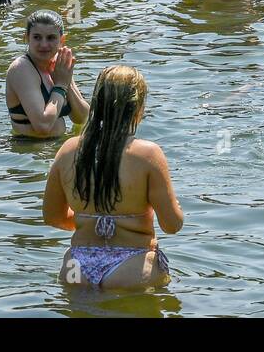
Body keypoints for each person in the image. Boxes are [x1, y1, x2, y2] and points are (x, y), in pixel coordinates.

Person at [43, 66, 183, 290]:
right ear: (138, 108)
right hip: (132, 267)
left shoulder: (68, 150)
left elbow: (52, 216)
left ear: (97, 103)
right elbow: (172, 225)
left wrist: (91, 220)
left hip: (76, 268)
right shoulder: (148, 154)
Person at [5, 10, 90, 138]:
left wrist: (67, 82)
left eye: (51, 38)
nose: (44, 45)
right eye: (37, 37)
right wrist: (61, 86)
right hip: (29, 151)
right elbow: (43, 126)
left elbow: (83, 118)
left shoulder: (58, 65)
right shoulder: (21, 69)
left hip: (54, 148)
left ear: (62, 40)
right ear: (26, 38)